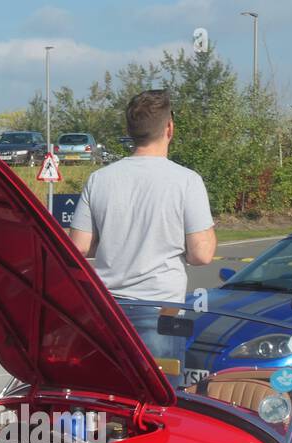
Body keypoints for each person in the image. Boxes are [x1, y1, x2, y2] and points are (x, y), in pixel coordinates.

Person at [68, 89, 216, 363]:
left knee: (110, 394)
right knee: (157, 400)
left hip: (108, 309)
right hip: (162, 310)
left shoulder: (99, 179)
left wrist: (115, 242)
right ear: (169, 127)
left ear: (130, 129)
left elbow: (77, 247)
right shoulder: (186, 181)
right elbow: (201, 254)